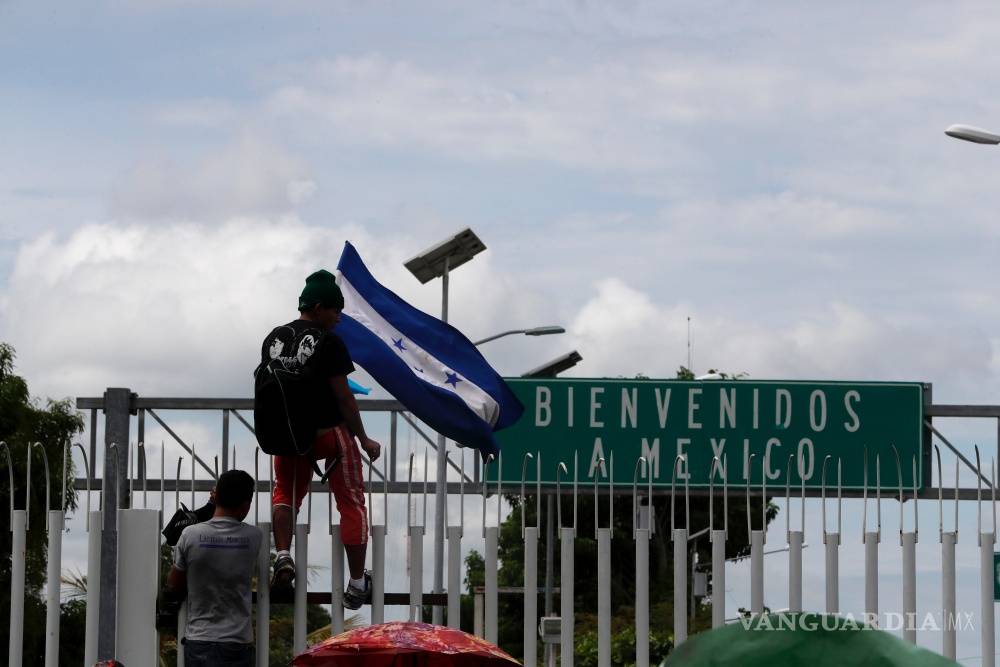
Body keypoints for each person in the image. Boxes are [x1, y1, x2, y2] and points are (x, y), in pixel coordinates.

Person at [259, 269, 381, 609]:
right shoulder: (329, 342)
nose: (339, 319)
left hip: (286, 436)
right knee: (351, 501)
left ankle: (283, 555)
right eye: (335, 311)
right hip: (328, 435)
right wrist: (365, 438)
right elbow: (344, 398)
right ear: (317, 307)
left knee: (285, 494)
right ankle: (357, 583)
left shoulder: (273, 338)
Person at [164, 469, 262, 667]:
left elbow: (174, 585)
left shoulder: (190, 535)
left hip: (201, 640)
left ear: (215, 495)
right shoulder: (254, 537)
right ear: (246, 505)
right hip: (238, 643)